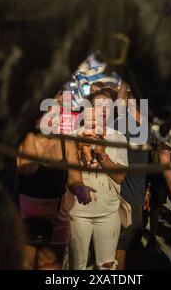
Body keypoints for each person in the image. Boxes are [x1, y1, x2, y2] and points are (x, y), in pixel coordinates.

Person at [17, 107, 95, 270]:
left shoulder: (66, 144)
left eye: (53, 115)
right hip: (24, 218)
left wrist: (80, 189)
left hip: (57, 219)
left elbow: (74, 178)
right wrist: (29, 133)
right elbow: (28, 168)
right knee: (24, 264)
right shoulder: (22, 140)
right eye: (43, 115)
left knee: (51, 267)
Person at [68, 87, 128, 270]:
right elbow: (68, 174)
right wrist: (80, 148)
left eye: (108, 106)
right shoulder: (73, 137)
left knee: (106, 266)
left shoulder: (118, 137)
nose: (103, 109)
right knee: (77, 265)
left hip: (108, 212)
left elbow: (119, 178)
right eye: (98, 105)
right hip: (78, 212)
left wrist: (102, 155)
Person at [114, 82, 150, 270]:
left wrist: (147, 190)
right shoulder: (121, 123)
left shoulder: (147, 126)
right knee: (124, 243)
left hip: (139, 190)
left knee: (133, 243)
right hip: (124, 193)